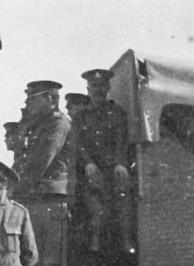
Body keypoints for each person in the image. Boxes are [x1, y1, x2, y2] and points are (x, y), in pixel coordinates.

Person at [73, 68, 134, 254]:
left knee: (124, 202)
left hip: (113, 170)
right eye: (94, 86)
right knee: (96, 212)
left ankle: (127, 244)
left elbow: (122, 141)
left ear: (108, 88)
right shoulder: (80, 117)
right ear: (88, 89)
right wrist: (88, 163)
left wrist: (120, 163)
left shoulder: (117, 113)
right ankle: (94, 245)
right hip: (91, 172)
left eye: (102, 86)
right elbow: (77, 145)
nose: (98, 90)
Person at [12, 80, 72, 203]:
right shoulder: (40, 124)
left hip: (50, 192)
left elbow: (42, 159)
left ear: (49, 99)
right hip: (37, 190)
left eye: (33, 99)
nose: (28, 104)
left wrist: (16, 186)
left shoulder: (58, 123)